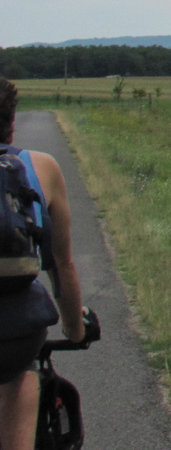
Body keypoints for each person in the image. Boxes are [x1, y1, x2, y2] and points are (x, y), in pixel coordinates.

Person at [0, 81, 84, 450]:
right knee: (22, 373)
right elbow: (62, 265)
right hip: (16, 328)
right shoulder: (40, 167)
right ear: (12, 123)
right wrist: (75, 329)